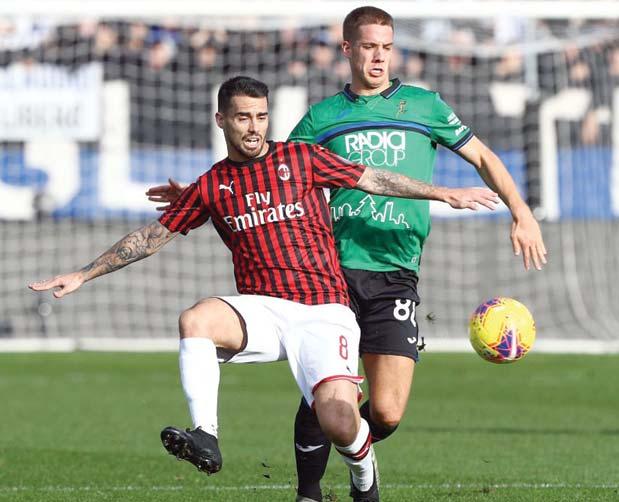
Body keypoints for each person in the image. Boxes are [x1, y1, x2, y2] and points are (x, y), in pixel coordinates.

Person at [30, 76, 498, 502]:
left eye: (260, 116)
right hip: (265, 310)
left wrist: (443, 193)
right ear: (221, 120)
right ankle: (206, 434)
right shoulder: (212, 185)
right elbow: (151, 237)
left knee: (340, 423)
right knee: (196, 320)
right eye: (242, 117)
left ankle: (364, 480)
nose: (253, 127)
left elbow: (373, 178)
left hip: (323, 311)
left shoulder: (301, 158)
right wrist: (84, 273)